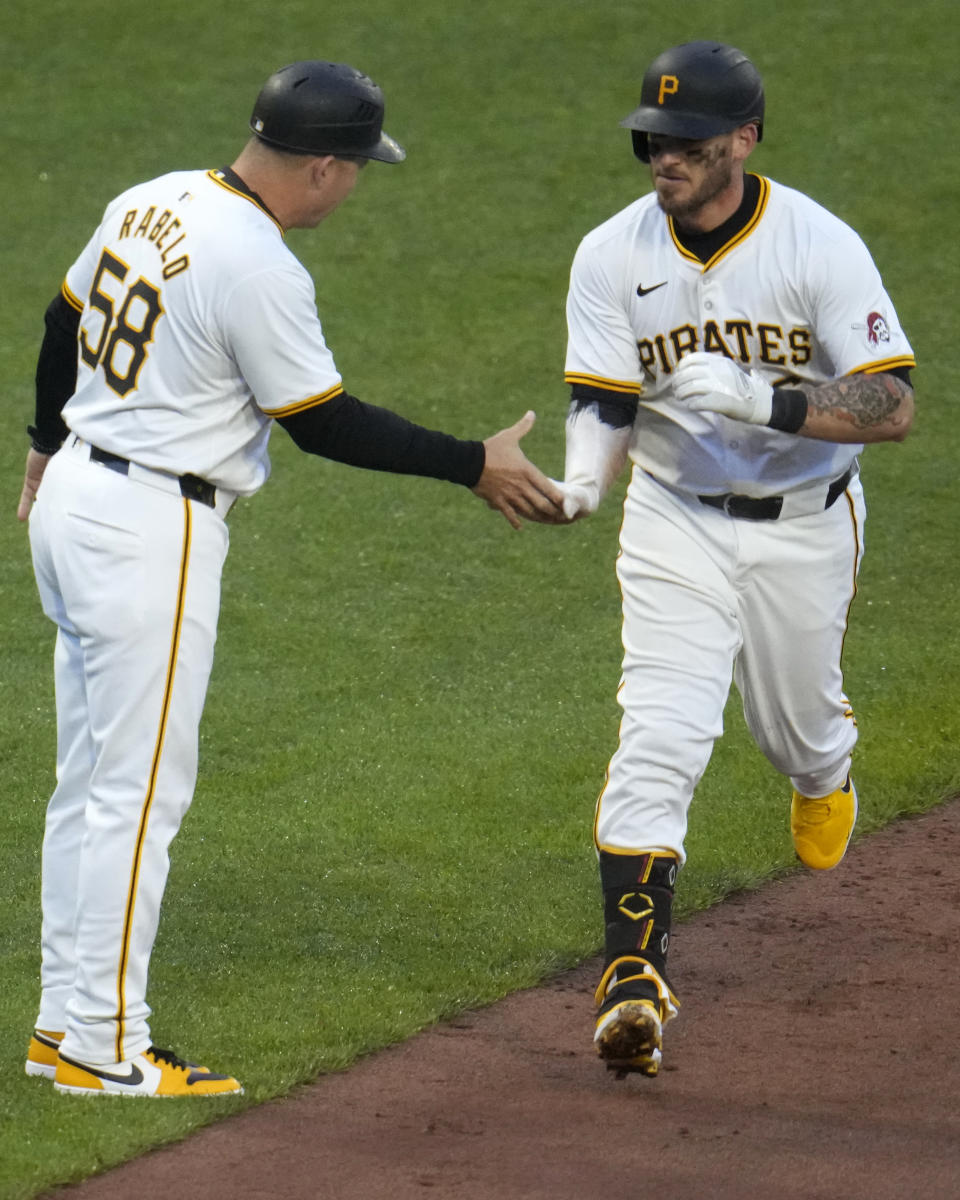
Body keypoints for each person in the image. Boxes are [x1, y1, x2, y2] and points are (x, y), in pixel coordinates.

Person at [18, 59, 565, 1098]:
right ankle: (102, 1046)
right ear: (319, 166)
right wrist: (471, 461)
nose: (356, 185)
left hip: (77, 499)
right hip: (151, 531)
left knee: (90, 786)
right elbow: (321, 422)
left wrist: (44, 443)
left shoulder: (154, 196)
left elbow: (60, 324)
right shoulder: (256, 262)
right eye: (355, 168)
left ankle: (64, 1026)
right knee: (137, 798)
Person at [549, 40, 915, 1078]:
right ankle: (634, 977)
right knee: (661, 730)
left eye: (686, 142)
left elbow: (894, 404)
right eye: (650, 138)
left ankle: (823, 767)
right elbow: (602, 397)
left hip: (805, 520)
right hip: (673, 520)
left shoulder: (817, 246)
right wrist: (585, 479)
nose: (662, 156)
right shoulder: (610, 253)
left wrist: (770, 401)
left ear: (744, 141)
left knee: (794, 732)